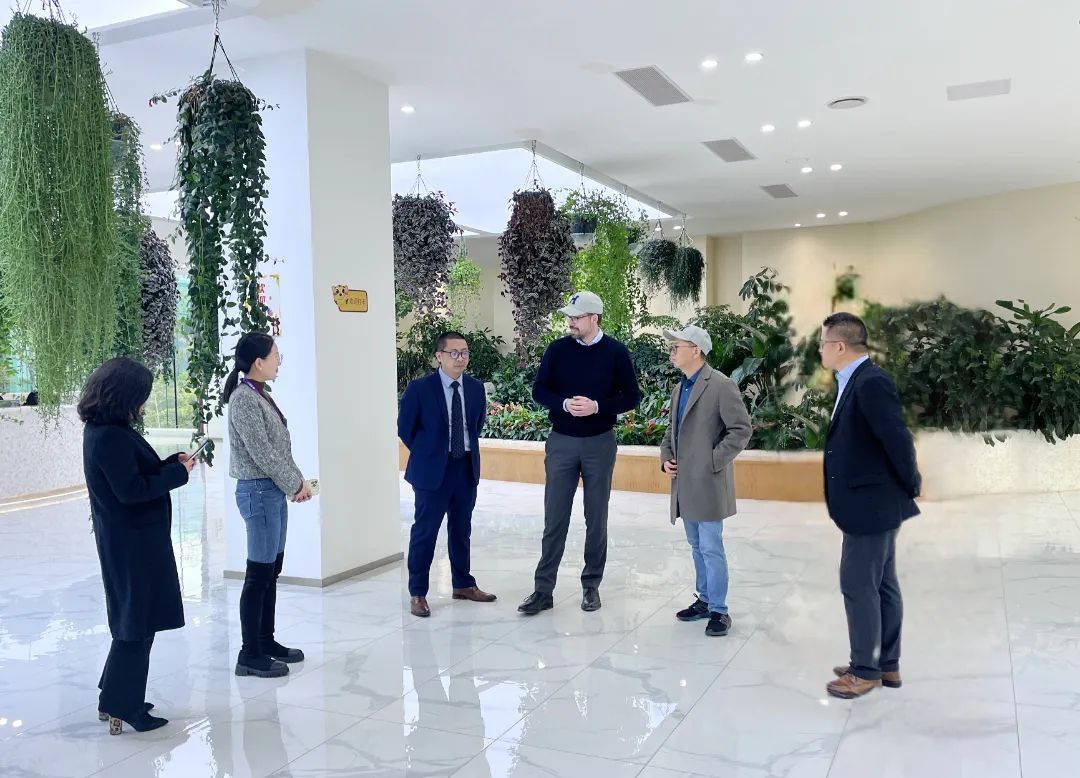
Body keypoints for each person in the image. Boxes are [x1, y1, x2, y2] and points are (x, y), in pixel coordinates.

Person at [79, 358, 197, 735]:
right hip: (133, 544)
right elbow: (130, 490)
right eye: (141, 396)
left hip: (130, 539)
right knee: (136, 622)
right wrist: (177, 475)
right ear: (124, 396)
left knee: (136, 619)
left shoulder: (106, 430)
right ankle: (123, 706)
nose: (143, 404)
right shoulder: (110, 436)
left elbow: (133, 472)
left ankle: (113, 696)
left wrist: (170, 464)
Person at [519, 291, 641, 615]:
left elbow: (632, 396)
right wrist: (563, 403)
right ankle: (543, 590)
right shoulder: (557, 350)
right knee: (554, 518)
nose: (570, 322)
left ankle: (591, 586)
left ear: (594, 318)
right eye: (569, 317)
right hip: (562, 442)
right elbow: (539, 389)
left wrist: (598, 406)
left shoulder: (616, 352)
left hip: (600, 443)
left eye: (576, 317)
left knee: (596, 518)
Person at [818, 312, 921, 699]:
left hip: (873, 503)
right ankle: (885, 664)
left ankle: (865, 671)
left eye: (822, 344)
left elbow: (898, 439)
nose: (819, 351)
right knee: (882, 584)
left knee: (858, 584)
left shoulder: (870, 382)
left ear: (839, 346)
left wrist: (909, 485)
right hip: (872, 501)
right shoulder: (854, 380)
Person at [223, 332, 312, 680]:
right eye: (276, 356)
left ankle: (265, 640)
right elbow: (261, 453)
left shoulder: (260, 394)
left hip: (271, 490)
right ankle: (249, 654)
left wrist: (297, 481)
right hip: (258, 491)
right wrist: (294, 484)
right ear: (258, 362)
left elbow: (279, 449)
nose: (279, 362)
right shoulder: (244, 399)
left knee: (271, 570)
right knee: (258, 574)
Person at [660, 326, 752, 637]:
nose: (672, 352)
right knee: (696, 545)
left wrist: (712, 461)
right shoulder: (680, 388)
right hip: (684, 484)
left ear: (696, 350)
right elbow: (671, 431)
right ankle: (704, 599)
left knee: (711, 547)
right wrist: (666, 458)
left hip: (709, 482)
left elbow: (741, 430)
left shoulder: (721, 386)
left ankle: (719, 610)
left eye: (677, 347)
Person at [398, 331, 495, 617]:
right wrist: (429, 453)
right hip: (431, 471)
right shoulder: (420, 388)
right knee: (425, 532)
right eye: (454, 353)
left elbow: (475, 426)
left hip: (465, 467)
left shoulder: (475, 388)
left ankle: (463, 584)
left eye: (464, 352)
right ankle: (418, 593)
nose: (460, 358)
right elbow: (405, 429)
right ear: (439, 356)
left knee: (461, 530)